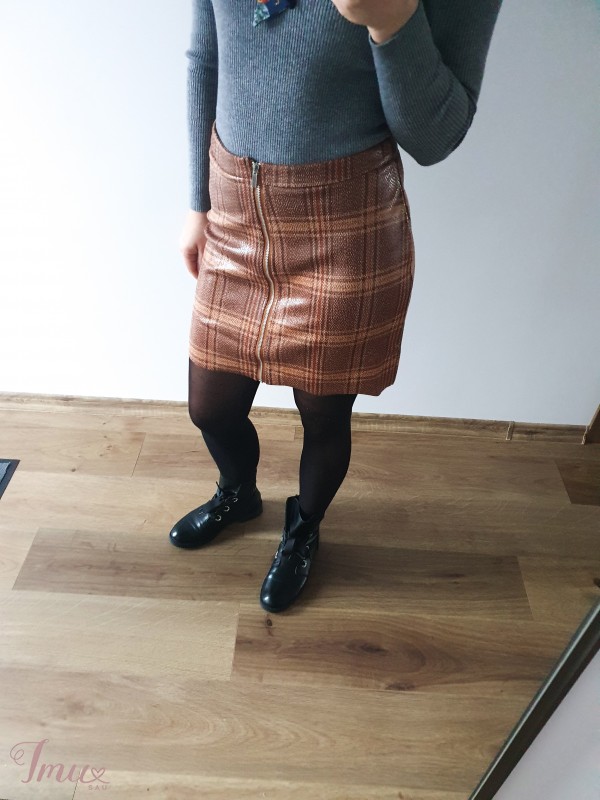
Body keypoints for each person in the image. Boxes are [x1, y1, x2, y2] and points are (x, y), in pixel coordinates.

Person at [169, 0, 503, 613]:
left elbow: (435, 136)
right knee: (210, 407)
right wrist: (197, 203)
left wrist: (391, 21)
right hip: (235, 208)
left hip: (345, 229)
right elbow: (204, 57)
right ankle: (238, 494)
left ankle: (304, 528)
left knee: (323, 415)